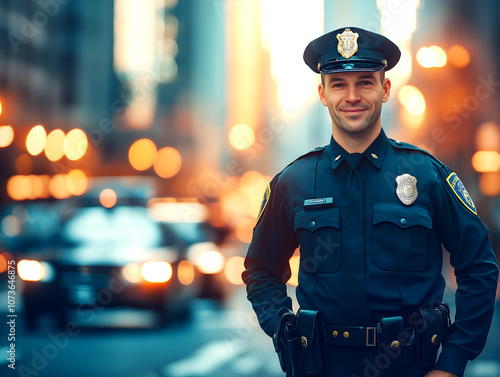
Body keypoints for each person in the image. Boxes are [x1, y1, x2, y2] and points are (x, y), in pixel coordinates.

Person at [242, 26, 498, 377]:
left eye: (365, 82)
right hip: (321, 368)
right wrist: (283, 326)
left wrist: (453, 362)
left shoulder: (427, 175)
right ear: (322, 93)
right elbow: (261, 268)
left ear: (385, 89)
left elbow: (479, 266)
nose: (352, 96)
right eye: (338, 84)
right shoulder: (293, 182)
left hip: (411, 368)